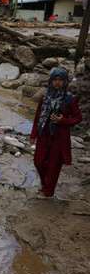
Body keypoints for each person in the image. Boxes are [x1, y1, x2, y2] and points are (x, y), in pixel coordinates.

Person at [30, 67, 82, 199]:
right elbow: (37, 117)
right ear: (51, 81)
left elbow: (78, 118)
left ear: (65, 82)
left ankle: (48, 192)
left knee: (54, 166)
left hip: (59, 138)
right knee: (38, 161)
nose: (57, 82)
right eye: (55, 79)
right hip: (44, 134)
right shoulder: (45, 96)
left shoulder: (70, 99)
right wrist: (33, 135)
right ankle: (44, 184)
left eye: (61, 80)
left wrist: (63, 120)